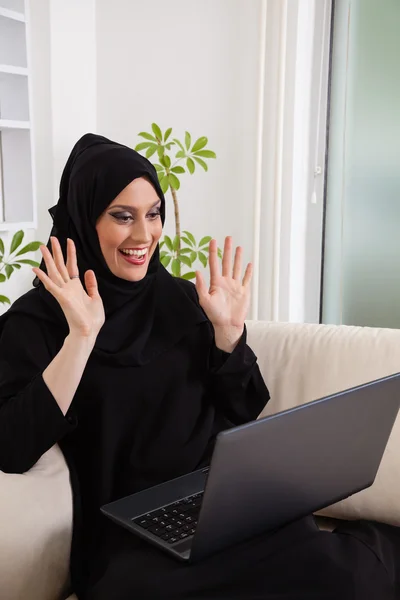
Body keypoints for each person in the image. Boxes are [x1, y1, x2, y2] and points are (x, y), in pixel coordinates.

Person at [0, 134, 399, 600]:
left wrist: (230, 336)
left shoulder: (181, 300)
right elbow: (13, 447)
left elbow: (244, 408)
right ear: (85, 220)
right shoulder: (38, 323)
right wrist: (81, 338)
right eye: (121, 216)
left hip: (230, 504)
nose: (143, 235)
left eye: (153, 214)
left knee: (345, 581)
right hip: (131, 535)